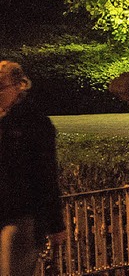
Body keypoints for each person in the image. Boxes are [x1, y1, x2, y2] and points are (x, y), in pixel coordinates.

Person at [0, 61, 65, 275]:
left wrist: (56, 224)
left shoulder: (33, 123)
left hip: (20, 216)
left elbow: (46, 174)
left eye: (1, 87)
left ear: (19, 86)